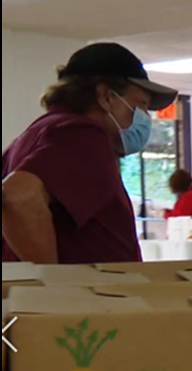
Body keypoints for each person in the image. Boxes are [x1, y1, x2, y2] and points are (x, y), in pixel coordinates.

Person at [2, 42, 178, 264]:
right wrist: (52, 283)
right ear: (106, 97)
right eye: (141, 105)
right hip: (85, 296)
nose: (145, 118)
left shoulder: (33, 134)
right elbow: (17, 197)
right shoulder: (84, 135)